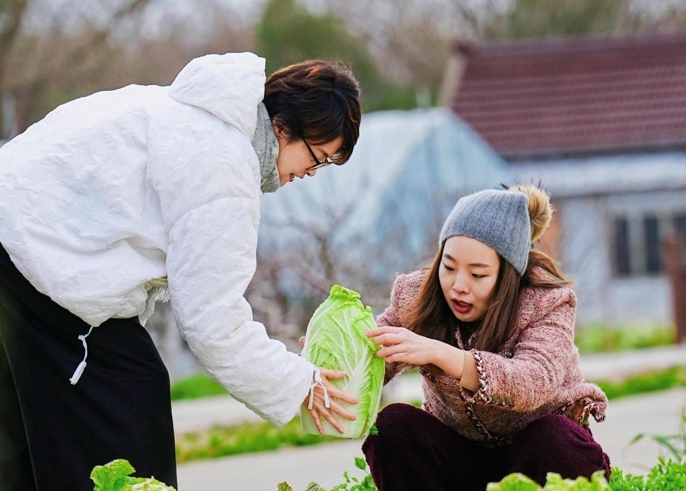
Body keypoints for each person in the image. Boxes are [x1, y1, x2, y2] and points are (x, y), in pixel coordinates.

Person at [0, 52, 361, 490]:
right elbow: (214, 323)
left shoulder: (180, 111)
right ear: (283, 127)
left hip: (18, 241)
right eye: (318, 157)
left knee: (29, 432)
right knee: (130, 404)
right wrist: (299, 383)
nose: (312, 173)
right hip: (36, 258)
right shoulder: (223, 166)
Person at [362, 184, 610, 491]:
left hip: (541, 458)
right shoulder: (416, 295)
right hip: (463, 460)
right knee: (393, 426)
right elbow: (373, 355)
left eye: (477, 274)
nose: (458, 286)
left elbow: (534, 381)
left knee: (553, 439)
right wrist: (326, 374)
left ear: (508, 275)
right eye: (448, 267)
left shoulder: (547, 302)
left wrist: (441, 354)